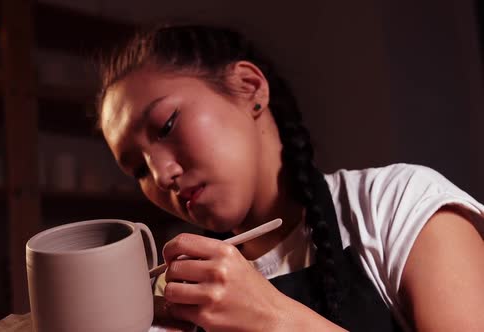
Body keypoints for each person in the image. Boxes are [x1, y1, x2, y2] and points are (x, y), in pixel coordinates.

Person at [94, 25, 484, 331]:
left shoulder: (396, 205)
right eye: (138, 170)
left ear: (250, 88)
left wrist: (274, 319)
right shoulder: (178, 294)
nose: (161, 176)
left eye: (167, 126)